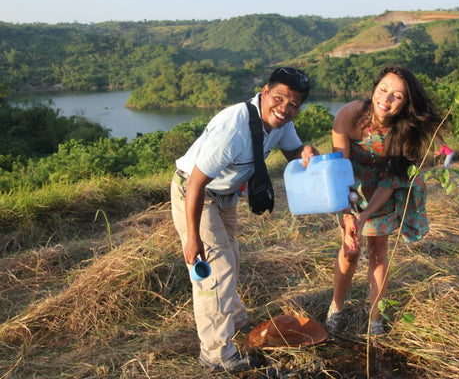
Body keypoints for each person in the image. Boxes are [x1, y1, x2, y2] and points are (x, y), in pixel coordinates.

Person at [170, 67, 318, 372]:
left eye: (293, 104)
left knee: (232, 258)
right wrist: (193, 238)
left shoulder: (281, 122)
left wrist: (306, 152)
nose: (284, 109)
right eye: (278, 99)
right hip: (197, 194)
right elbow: (195, 184)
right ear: (264, 93)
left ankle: (233, 320)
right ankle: (214, 352)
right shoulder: (234, 128)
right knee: (215, 270)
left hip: (226, 196)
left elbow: (293, 152)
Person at [327, 65, 443, 335]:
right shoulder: (349, 115)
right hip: (348, 190)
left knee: (378, 252)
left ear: (405, 104)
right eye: (384, 90)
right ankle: (336, 307)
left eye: (397, 96)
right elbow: (339, 170)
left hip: (382, 195)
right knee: (349, 251)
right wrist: (349, 214)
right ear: (374, 88)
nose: (387, 99)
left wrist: (366, 215)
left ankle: (375, 318)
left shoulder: (404, 132)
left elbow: (391, 179)